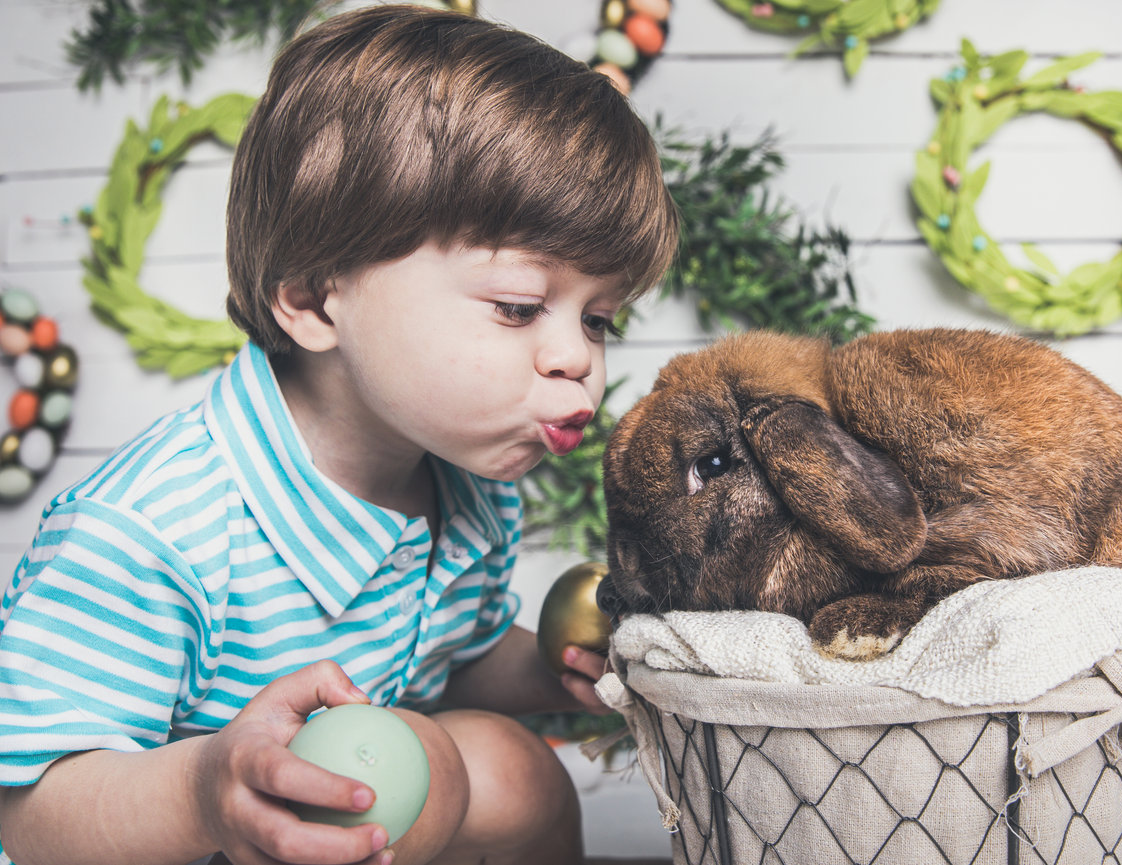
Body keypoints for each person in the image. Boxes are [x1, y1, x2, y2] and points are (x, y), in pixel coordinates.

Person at [0, 6, 678, 865]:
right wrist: (205, 792)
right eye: (518, 306)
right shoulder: (153, 529)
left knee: (516, 770)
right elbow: (28, 810)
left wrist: (556, 670)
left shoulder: (465, 489)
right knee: (459, 760)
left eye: (599, 319)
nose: (576, 357)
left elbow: (448, 660)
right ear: (317, 300)